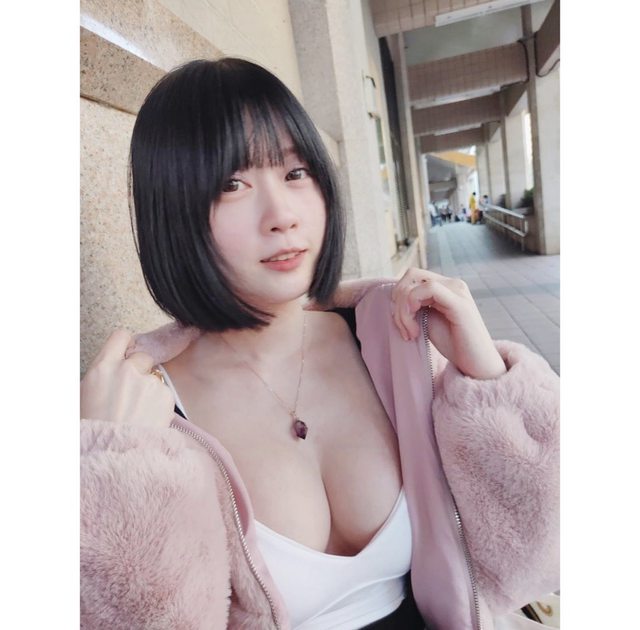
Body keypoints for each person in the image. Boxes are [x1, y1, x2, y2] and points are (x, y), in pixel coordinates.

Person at [80, 58, 559, 629]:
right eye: (231, 184)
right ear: (173, 210)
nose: (282, 215)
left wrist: (487, 380)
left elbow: (538, 559)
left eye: (296, 172)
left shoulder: (391, 340)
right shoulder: (147, 413)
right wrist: (110, 474)